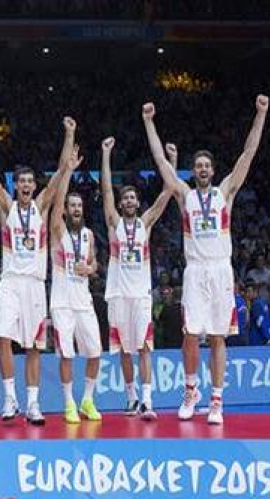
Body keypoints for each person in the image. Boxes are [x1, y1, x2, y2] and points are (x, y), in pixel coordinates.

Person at [143, 95, 269, 424]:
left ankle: (216, 401)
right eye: (197, 165)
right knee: (190, 335)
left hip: (221, 272)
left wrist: (261, 114)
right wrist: (148, 122)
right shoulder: (184, 196)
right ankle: (190, 391)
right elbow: (160, 162)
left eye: (206, 166)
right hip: (195, 272)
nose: (202, 169)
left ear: (212, 170)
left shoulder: (224, 192)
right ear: (193, 170)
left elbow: (248, 153)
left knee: (217, 337)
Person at [0, 116, 77, 424]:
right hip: (11, 282)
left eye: (30, 181)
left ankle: (33, 403)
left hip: (34, 283)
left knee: (33, 345)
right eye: (22, 182)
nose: (27, 186)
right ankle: (10, 399)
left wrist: (69, 133)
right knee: (3, 336)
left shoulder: (42, 206)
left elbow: (60, 172)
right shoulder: (7, 206)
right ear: (16, 186)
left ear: (34, 185)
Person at [100, 136, 175, 420]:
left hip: (142, 295)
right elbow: (106, 190)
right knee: (123, 350)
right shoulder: (114, 224)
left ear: (138, 202)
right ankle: (130, 398)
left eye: (133, 198)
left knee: (144, 347)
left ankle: (147, 400)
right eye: (126, 198)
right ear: (120, 205)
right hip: (118, 294)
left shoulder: (145, 224)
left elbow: (168, 193)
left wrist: (173, 161)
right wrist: (106, 155)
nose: (130, 201)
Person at [47, 146, 104, 423]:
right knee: (67, 356)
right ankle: (69, 403)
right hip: (61, 303)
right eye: (72, 206)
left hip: (83, 302)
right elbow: (56, 204)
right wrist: (67, 170)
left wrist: (90, 268)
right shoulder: (57, 231)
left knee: (95, 353)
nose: (76, 209)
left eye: (79, 206)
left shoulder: (90, 235)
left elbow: (94, 264)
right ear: (66, 210)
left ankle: (87, 401)